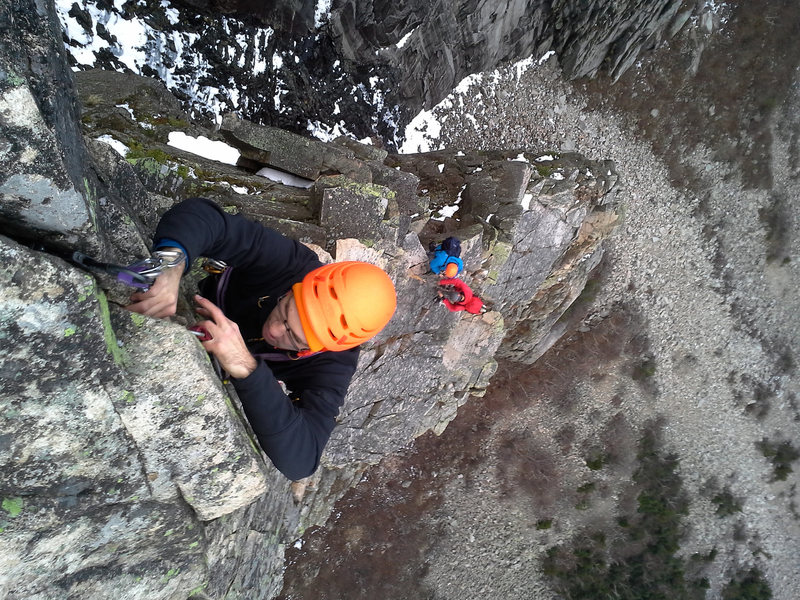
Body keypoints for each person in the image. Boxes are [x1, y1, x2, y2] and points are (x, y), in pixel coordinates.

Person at [125, 197, 397, 480]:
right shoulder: (292, 264)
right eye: (285, 310)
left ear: (315, 350)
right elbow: (208, 219)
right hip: (203, 294)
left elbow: (302, 459)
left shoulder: (333, 362)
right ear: (297, 287)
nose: (276, 331)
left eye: (294, 337)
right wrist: (172, 264)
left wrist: (247, 368)